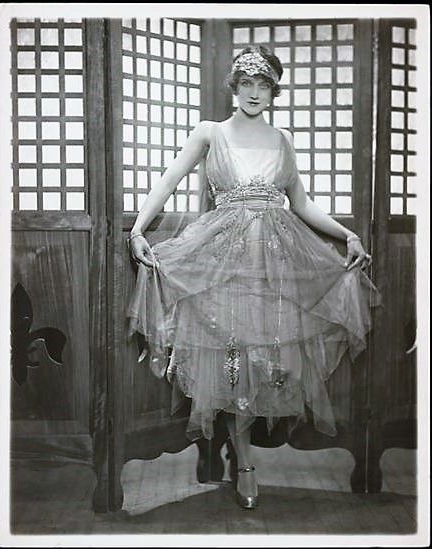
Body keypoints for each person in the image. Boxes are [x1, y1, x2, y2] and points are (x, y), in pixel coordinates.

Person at [126, 45, 381, 510]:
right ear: (234, 86)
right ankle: (243, 463)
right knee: (231, 357)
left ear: (274, 91)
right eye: (246, 83)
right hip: (222, 260)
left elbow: (300, 203)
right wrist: (139, 230)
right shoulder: (210, 132)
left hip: (277, 264)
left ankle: (241, 454)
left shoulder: (282, 138)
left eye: (263, 85)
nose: (254, 93)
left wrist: (349, 236)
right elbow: (168, 180)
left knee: (266, 362)